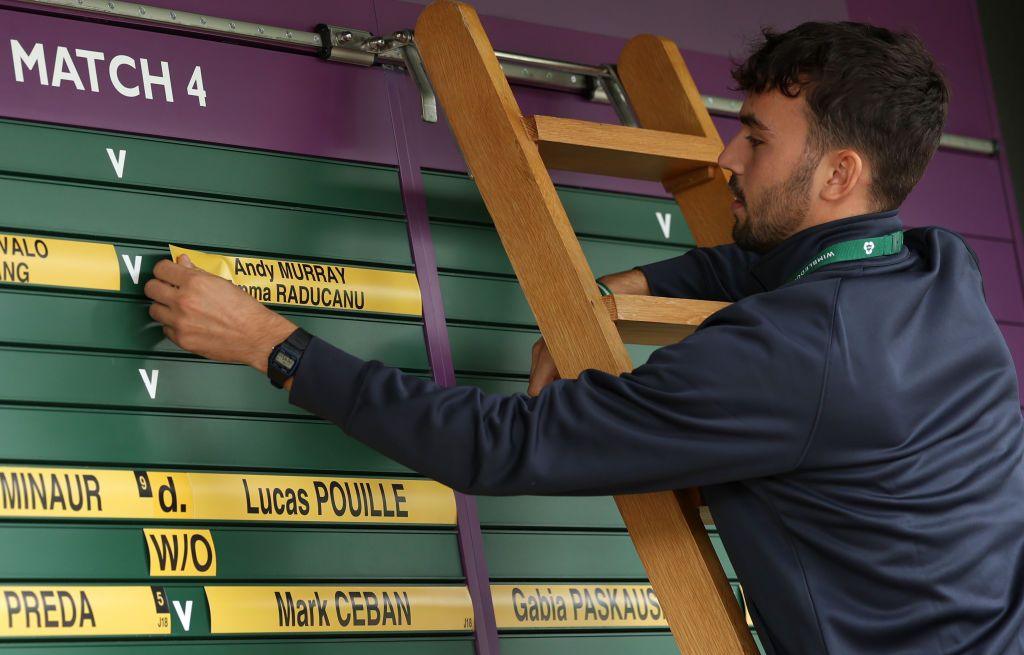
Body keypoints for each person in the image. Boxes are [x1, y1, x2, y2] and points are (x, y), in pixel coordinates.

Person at [144, 21, 1024, 655]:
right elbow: (759, 269)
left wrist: (272, 343)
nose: (727, 160)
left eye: (755, 138)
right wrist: (619, 289)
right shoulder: (938, 272)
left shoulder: (795, 354)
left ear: (839, 173)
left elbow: (501, 446)